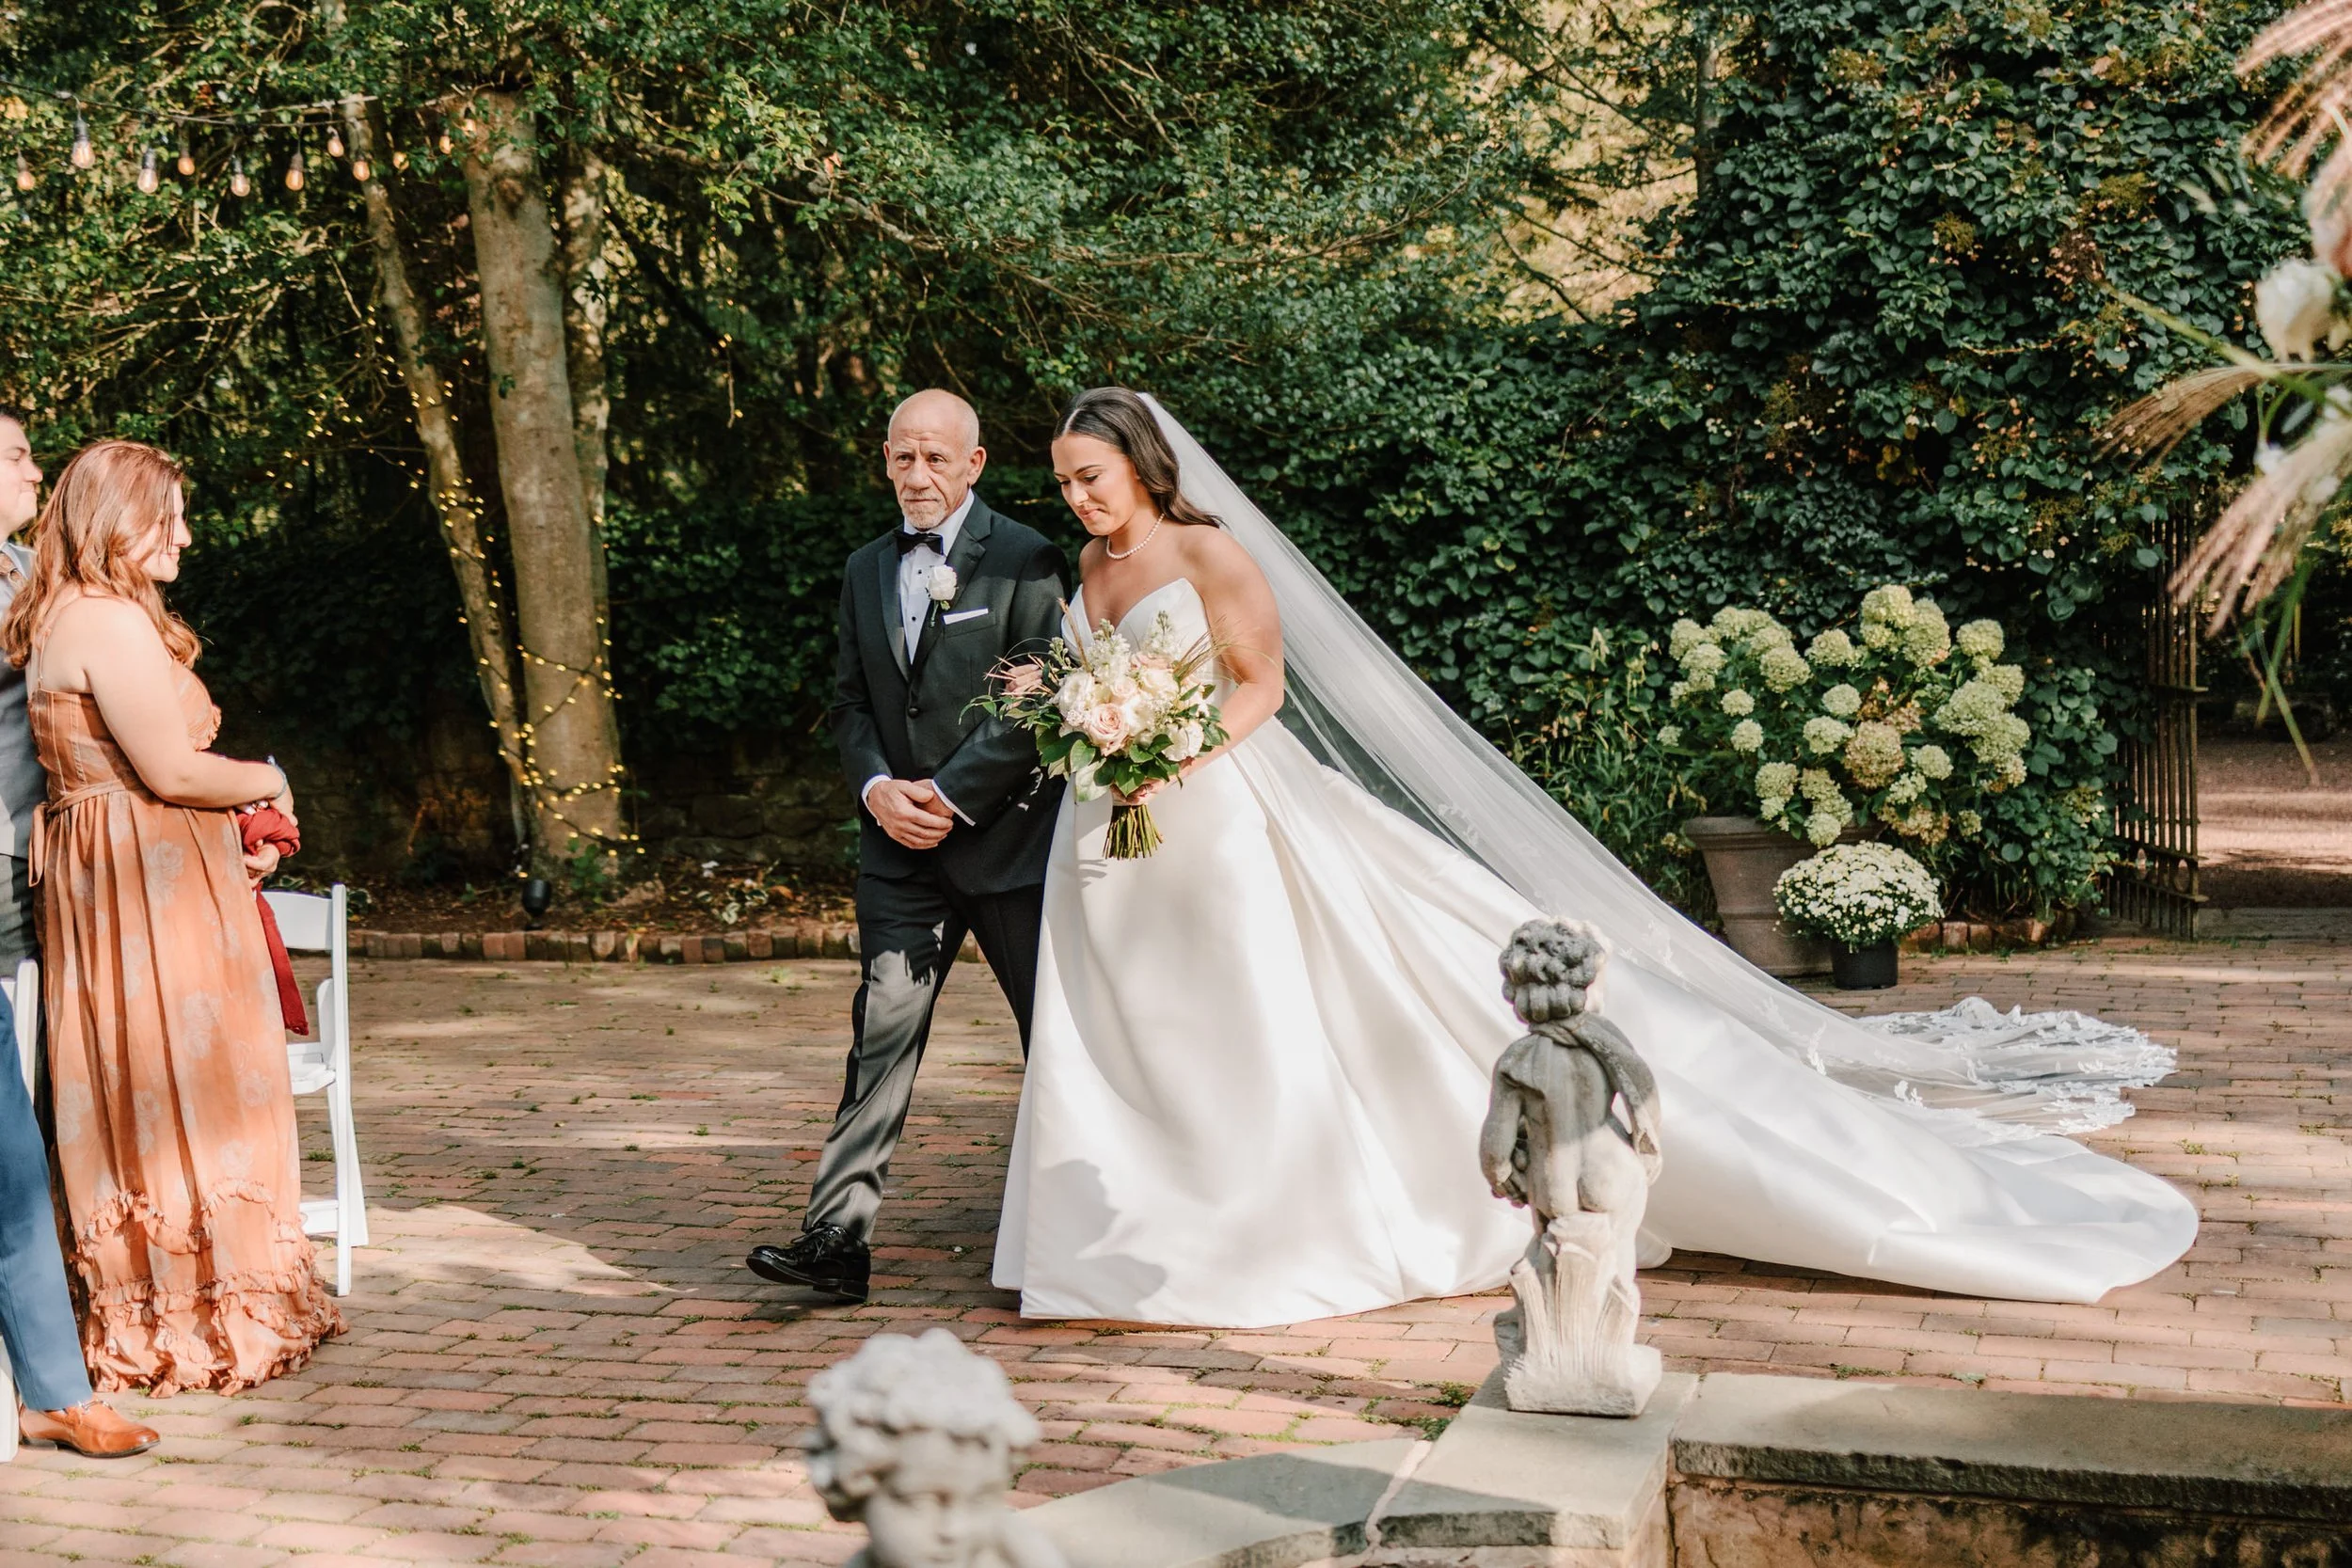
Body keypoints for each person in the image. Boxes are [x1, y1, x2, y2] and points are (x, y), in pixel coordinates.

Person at [991, 388, 2198, 1327]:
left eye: (1091, 479)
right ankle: (1124, 1220)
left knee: (1246, 1009)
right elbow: (1084, 681)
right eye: (1064, 484)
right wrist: (1101, 736)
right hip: (1113, 826)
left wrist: (1175, 748)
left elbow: (1261, 686)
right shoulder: (1086, 572)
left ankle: (1257, 1223)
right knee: (1132, 1015)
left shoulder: (1208, 557)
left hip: (1220, 809)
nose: (1080, 501)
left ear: (1143, 469)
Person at [0, 438, 342, 1393]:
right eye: (170, 515)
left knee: (150, 1077)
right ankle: (199, 1307)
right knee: (183, 1078)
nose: (186, 533)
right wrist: (266, 777)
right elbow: (171, 769)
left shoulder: (60, 604)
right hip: (144, 886)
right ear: (120, 521)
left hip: (129, 863)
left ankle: (180, 1291)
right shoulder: (102, 622)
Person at [746, 390, 1068, 1304]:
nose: (917, 477)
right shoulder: (860, 568)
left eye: (936, 459)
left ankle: (1075, 1234)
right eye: (902, 458)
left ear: (973, 465)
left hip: (1009, 849)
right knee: (879, 1036)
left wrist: (950, 794)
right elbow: (852, 702)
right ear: (884, 459)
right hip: (897, 851)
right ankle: (835, 1242)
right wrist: (877, 788)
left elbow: (1036, 702)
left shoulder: (1026, 558)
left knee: (1054, 1037)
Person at [0, 413, 158, 1452]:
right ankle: (58, 1386)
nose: (34, 468)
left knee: (44, 1122)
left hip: (36, 879)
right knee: (10, 1145)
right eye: (12, 454)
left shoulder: (29, 573)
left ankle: (60, 1371)